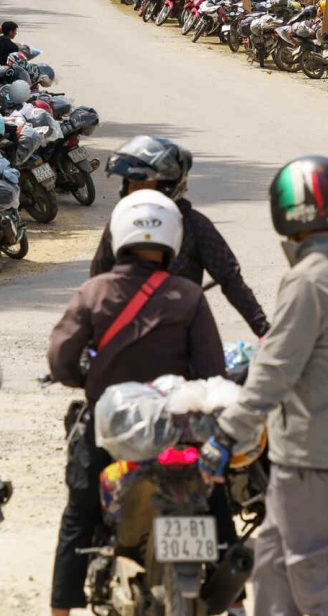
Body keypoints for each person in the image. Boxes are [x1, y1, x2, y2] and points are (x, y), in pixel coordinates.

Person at [199, 156, 328, 616]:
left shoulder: (308, 280)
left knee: (321, 577)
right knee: (274, 569)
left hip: (311, 453)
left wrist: (228, 433)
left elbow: (274, 368)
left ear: (289, 211)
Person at [47, 190, 225, 616]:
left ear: (119, 236)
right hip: (176, 431)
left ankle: (60, 610)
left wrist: (92, 386)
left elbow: (61, 361)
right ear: (172, 239)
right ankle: (234, 599)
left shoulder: (94, 292)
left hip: (110, 430)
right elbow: (212, 370)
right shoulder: (189, 295)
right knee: (216, 498)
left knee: (80, 513)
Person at [90, 136, 270, 337]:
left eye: (142, 184)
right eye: (131, 184)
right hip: (125, 336)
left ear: (167, 185)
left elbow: (230, 280)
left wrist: (264, 332)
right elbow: (98, 282)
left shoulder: (194, 225)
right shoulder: (120, 224)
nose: (134, 192)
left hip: (178, 335)